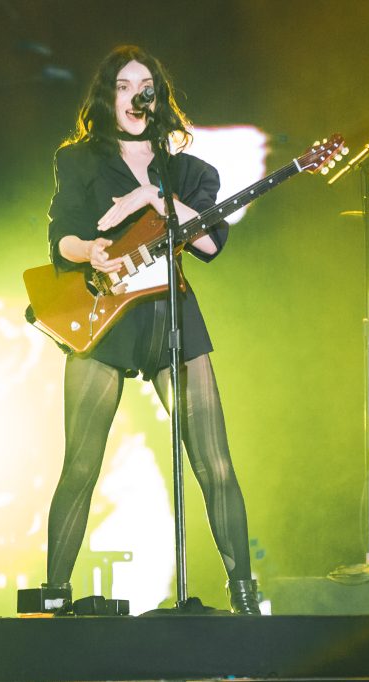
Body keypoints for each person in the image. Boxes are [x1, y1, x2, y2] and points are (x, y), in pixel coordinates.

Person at [42, 44, 259, 614]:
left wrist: (151, 196)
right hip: (105, 312)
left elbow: (210, 241)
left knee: (215, 462)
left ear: (157, 97)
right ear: (107, 96)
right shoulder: (81, 160)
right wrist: (91, 250)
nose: (135, 94)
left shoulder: (188, 172)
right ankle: (53, 598)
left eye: (145, 85)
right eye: (122, 85)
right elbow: (60, 236)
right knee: (82, 463)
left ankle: (245, 593)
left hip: (171, 311)